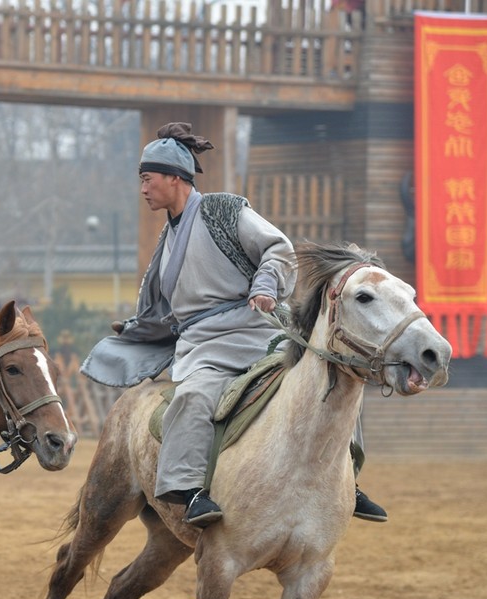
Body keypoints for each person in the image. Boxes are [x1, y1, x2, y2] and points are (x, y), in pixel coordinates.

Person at [80, 122, 386, 527]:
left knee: (331, 377)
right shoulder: (166, 240)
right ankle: (187, 492)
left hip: (259, 331)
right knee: (194, 396)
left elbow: (277, 247)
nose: (143, 188)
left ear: (175, 178)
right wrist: (139, 327)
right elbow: (167, 306)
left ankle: (349, 477)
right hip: (204, 346)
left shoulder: (223, 210)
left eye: (147, 178)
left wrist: (264, 285)